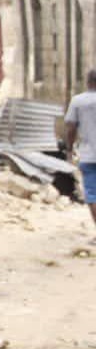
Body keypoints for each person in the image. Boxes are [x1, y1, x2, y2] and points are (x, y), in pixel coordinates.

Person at [65, 68, 96, 244]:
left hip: (89, 156)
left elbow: (70, 128)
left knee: (92, 195)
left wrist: (69, 150)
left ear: (88, 82)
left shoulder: (78, 101)